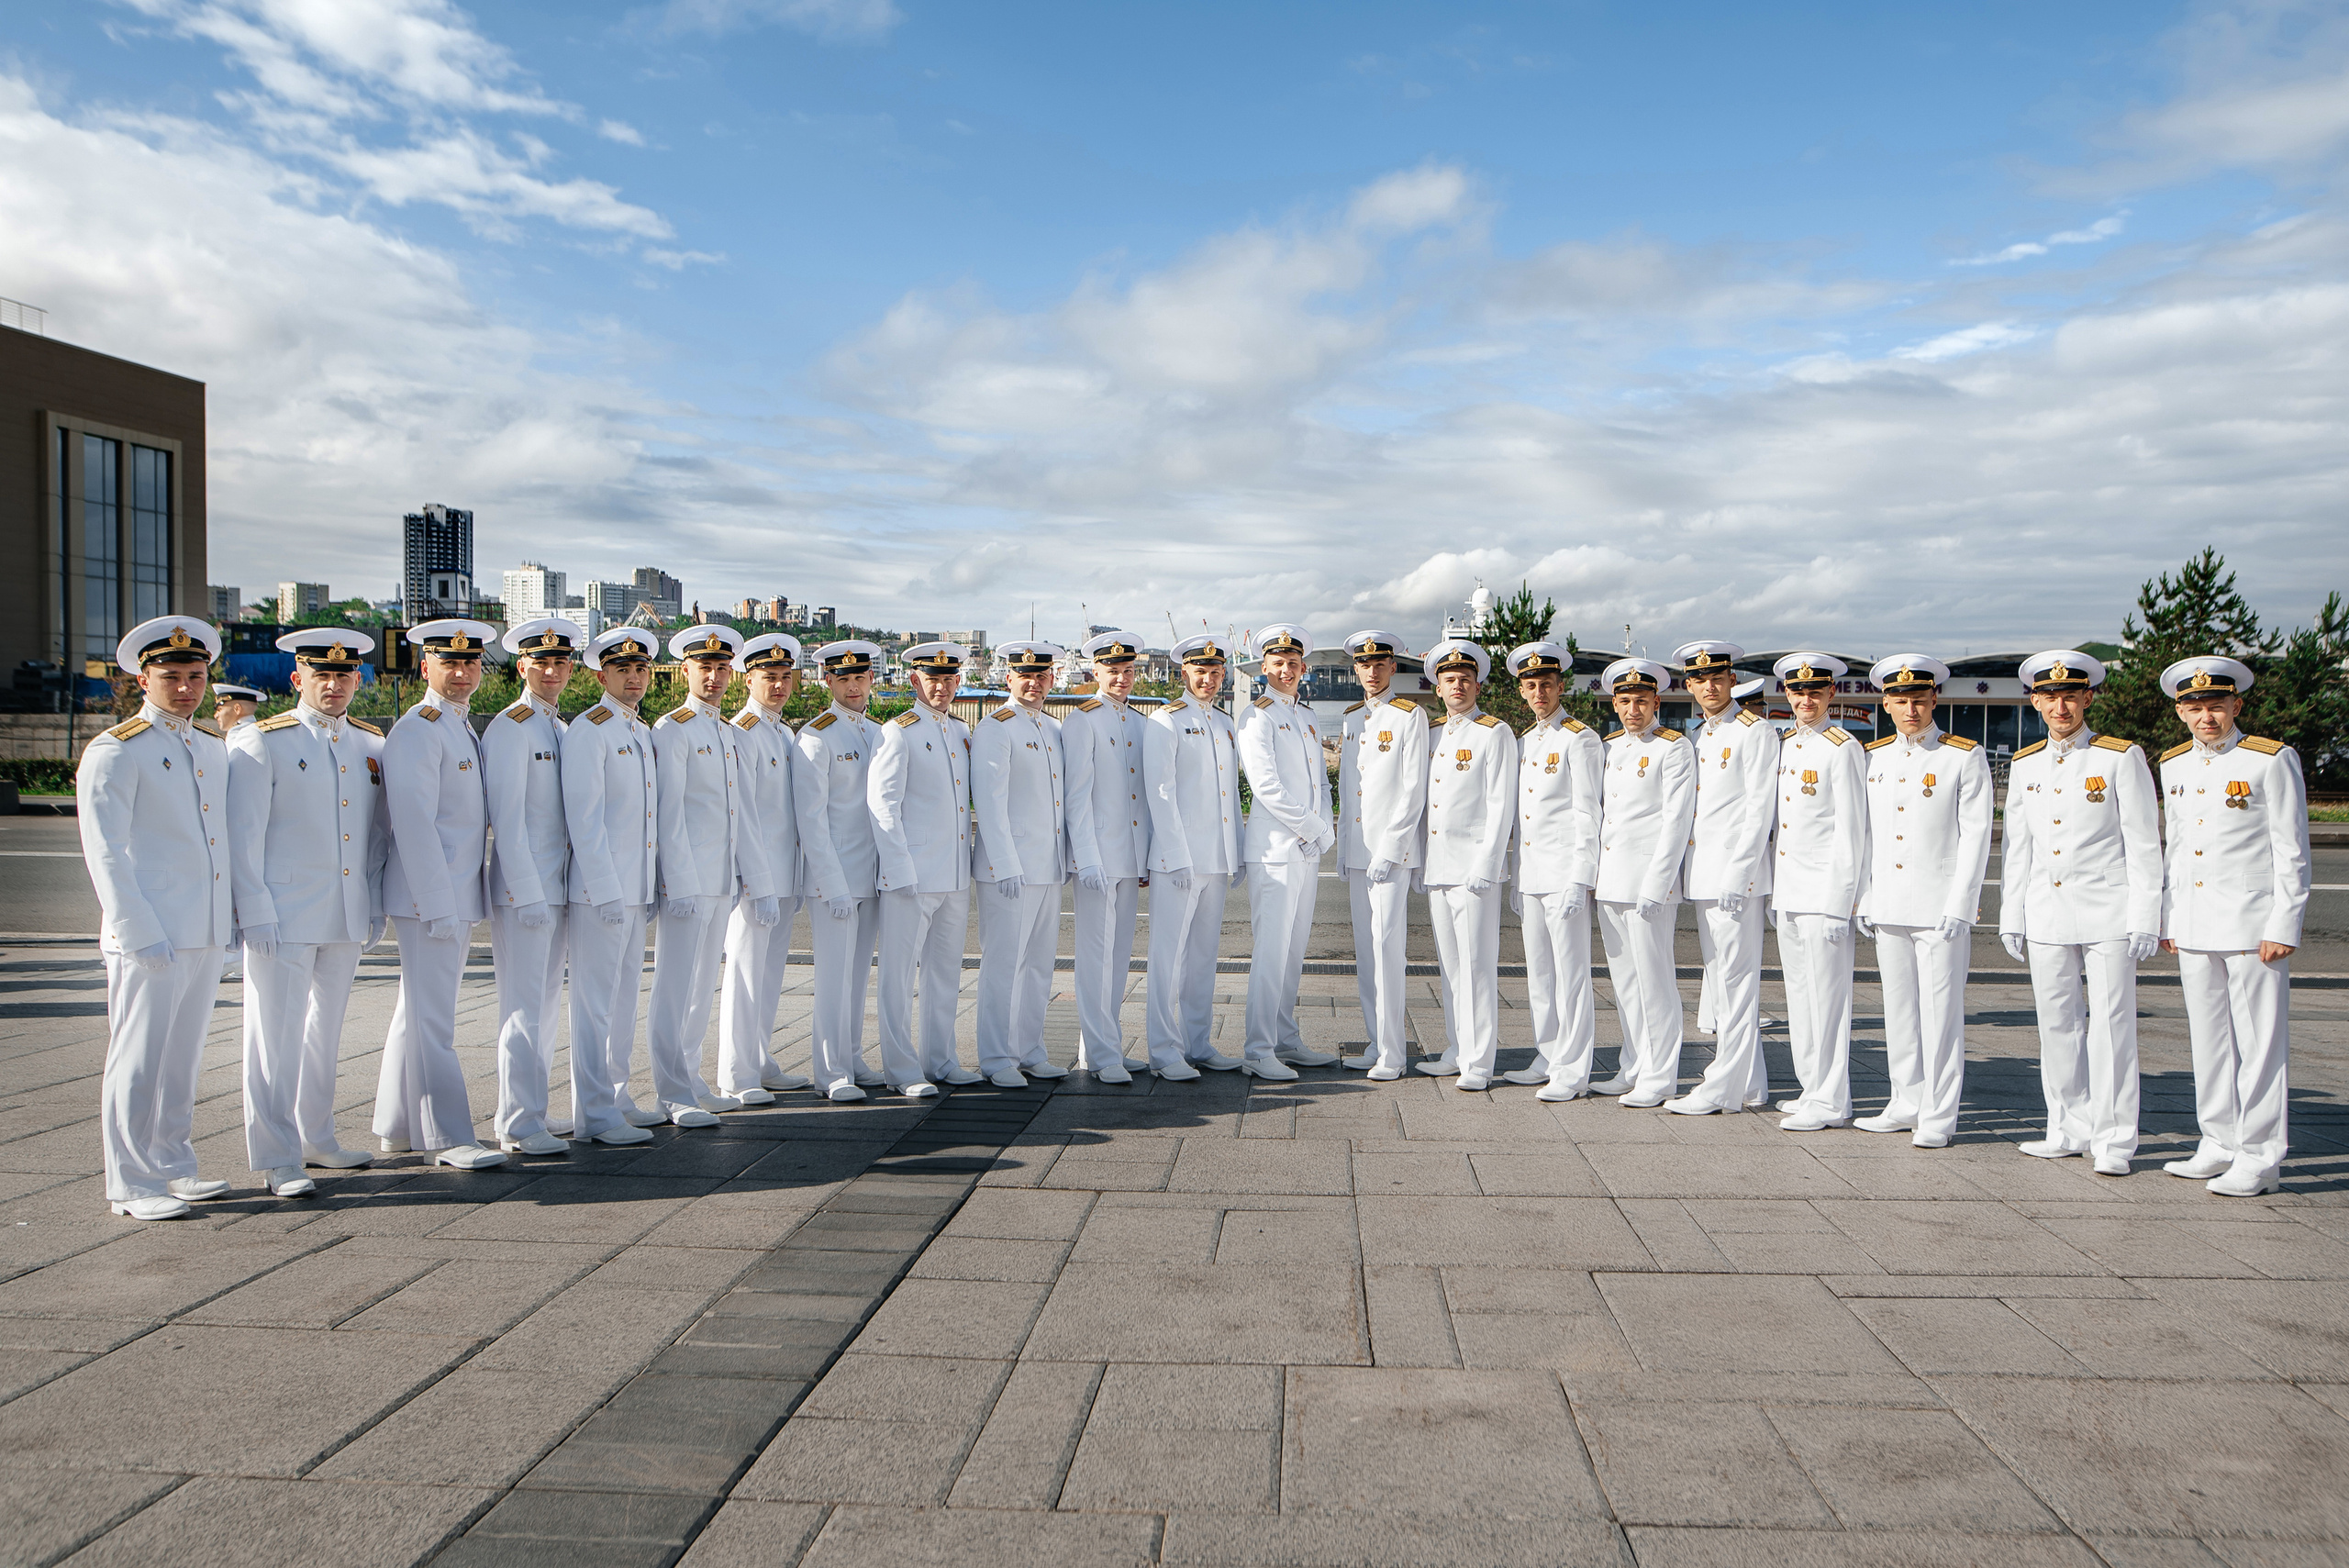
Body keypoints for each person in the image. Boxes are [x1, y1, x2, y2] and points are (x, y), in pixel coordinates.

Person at [79, 616, 237, 1219]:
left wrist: (225, 923)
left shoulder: (208, 746)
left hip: (201, 929)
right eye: (171, 676)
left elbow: (217, 841)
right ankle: (129, 1180)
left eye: (195, 676)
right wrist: (135, 928)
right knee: (139, 1056)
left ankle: (173, 1161)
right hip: (148, 932)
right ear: (144, 677)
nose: (185, 688)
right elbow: (106, 853)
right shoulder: (117, 750)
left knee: (181, 1056)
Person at [228, 628, 387, 1199]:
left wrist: (372, 900)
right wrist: (253, 911)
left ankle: (317, 1135)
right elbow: (240, 838)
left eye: (345, 675)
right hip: (282, 915)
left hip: (344, 914)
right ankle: (276, 1156)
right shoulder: (260, 742)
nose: (335, 684)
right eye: (323, 674)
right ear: (298, 680)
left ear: (357, 681)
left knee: (325, 1031)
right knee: (274, 1036)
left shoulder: (369, 745)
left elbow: (373, 837)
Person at [1999, 651, 2160, 1174]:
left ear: (2088, 697)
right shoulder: (2025, 764)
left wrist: (2145, 914)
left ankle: (2114, 1140)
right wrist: (2011, 913)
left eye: (2070, 695)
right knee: (2057, 1025)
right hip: (2047, 910)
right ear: (2035, 702)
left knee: (2112, 1026)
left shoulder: (2119, 757)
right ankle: (2066, 1126)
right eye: (2049, 696)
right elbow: (2017, 848)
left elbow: (2143, 844)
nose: (2060, 705)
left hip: (2108, 910)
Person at [2155, 655, 2310, 1197]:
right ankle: (2218, 1141)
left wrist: (2284, 923)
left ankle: (2261, 1156)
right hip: (2196, 924)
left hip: (2252, 926)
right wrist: (2170, 915)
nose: (2206, 718)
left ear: (2236, 705)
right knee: (2210, 1042)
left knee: (2261, 1044)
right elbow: (2175, 849)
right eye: (2194, 708)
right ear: (2180, 711)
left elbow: (2291, 852)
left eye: (2216, 707)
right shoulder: (2173, 766)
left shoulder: (2270, 760)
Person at [373, 619, 507, 1170]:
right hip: (430, 899)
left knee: (416, 1011)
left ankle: (396, 1125)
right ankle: (446, 1135)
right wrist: (437, 904)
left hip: (447, 894)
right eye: (449, 663)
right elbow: (413, 823)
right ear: (425, 667)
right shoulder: (420, 728)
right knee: (434, 1018)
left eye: (471, 662)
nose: (462, 672)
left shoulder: (457, 726)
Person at [1855, 656, 1992, 1150]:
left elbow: (1977, 835)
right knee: (1900, 1010)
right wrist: (1867, 894)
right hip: (1889, 903)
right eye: (1901, 700)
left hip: (1939, 907)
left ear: (1935, 699)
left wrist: (1961, 903)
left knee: (1940, 1013)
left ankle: (1938, 1112)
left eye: (1920, 699)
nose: (1910, 709)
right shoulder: (1874, 758)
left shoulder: (1962, 755)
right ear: (1886, 703)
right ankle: (1905, 1099)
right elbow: (1866, 834)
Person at [645, 625, 779, 1128]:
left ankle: (693, 1080)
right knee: (675, 986)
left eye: (724, 668)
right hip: (689, 882)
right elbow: (669, 813)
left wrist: (755, 881)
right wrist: (677, 882)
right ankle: (672, 1093)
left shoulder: (725, 732)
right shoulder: (673, 728)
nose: (716, 676)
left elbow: (739, 814)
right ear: (686, 670)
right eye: (706, 667)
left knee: (701, 987)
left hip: (719, 880)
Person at [481, 617, 583, 1158]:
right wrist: (525, 892)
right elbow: (508, 819)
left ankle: (534, 1110)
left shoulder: (560, 728)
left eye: (560, 662)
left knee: (543, 1005)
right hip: (527, 892)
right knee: (522, 1007)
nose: (551, 671)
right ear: (521, 665)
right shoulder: (511, 726)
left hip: (558, 887)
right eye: (540, 662)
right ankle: (517, 1121)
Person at [1665, 641, 1777, 1116]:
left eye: (1718, 678)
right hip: (1705, 874)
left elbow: (1759, 808)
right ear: (1689, 686)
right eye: (1699, 680)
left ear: (1732, 680)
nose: (1709, 686)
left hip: (1735, 878)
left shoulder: (1754, 731)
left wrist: (1742, 873)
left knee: (1734, 981)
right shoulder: (1699, 735)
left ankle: (1723, 1086)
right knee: (1724, 979)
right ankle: (1751, 1083)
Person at [559, 628, 661, 1146]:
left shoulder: (639, 732)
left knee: (622, 1001)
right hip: (603, 892)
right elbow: (586, 819)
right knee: (594, 1003)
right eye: (623, 670)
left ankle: (616, 1095)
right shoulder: (590, 729)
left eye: (641, 670)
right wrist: (605, 891)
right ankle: (593, 1111)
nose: (634, 678)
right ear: (601, 675)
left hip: (635, 889)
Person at [868, 640, 981, 1095]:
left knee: (945, 972)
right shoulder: (899, 731)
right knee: (899, 975)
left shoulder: (958, 731)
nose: (941, 687)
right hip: (911, 877)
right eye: (932, 679)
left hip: (953, 874)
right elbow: (882, 804)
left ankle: (941, 1058)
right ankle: (900, 1068)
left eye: (949, 679)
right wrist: (899, 870)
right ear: (915, 681)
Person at [1590, 657, 1697, 1107]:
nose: (1633, 709)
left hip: (1647, 883)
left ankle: (1661, 1074)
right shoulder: (1612, 747)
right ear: (1614, 703)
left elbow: (1676, 822)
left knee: (1655, 981)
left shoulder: (1674, 748)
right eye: (1624, 700)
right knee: (1626, 982)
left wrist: (1657, 884)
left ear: (1657, 702)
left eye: (1641, 701)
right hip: (1611, 879)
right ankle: (1632, 1064)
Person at [1769, 654, 1868, 1133]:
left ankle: (1831, 1100)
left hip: (1823, 895)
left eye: (1815, 692)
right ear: (1787, 695)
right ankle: (1812, 1088)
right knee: (1800, 997)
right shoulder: (1786, 744)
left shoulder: (1841, 746)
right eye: (1797, 692)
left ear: (1831, 695)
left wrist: (1841, 902)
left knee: (1828, 1001)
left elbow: (1851, 832)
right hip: (1789, 891)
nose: (1805, 700)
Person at [1235, 624, 1338, 1081]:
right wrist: (1311, 826)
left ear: (1302, 668)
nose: (1286, 669)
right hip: (1275, 849)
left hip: (1307, 848)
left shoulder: (1308, 716)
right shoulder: (1254, 716)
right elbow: (1266, 787)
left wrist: (1324, 829)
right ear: (1264, 667)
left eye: (1294, 663)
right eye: (1278, 663)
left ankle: (1285, 1037)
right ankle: (1257, 1048)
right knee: (1271, 951)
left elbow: (1320, 782)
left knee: (1295, 950)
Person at [716, 632, 814, 1103]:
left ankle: (759, 1057)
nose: (778, 685)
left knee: (771, 972)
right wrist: (757, 882)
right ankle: (736, 1072)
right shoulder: (744, 733)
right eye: (768, 677)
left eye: (784, 677)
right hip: (759, 879)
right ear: (747, 679)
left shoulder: (781, 730)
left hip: (784, 874)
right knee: (745, 971)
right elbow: (744, 815)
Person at [973, 640, 1074, 1088]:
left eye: (1041, 675)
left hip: (1047, 866)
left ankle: (1030, 1049)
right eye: (1024, 675)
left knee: (1038, 964)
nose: (1033, 683)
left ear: (1052, 679)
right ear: (1008, 679)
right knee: (1003, 964)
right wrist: (1004, 863)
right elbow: (990, 804)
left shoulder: (1053, 728)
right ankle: (996, 1057)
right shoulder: (997, 727)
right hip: (1009, 870)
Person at [1417, 637, 1518, 1092]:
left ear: (1478, 685)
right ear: (1437, 688)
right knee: (1451, 967)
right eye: (1449, 680)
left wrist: (1489, 863)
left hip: (1474, 870)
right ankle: (1457, 1049)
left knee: (1478, 967)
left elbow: (1501, 804)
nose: (1457, 686)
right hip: (1440, 867)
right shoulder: (1434, 733)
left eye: (1465, 679)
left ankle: (1479, 1061)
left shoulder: (1493, 732)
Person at [1503, 640, 1601, 1100]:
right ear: (1522, 691)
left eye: (1547, 684)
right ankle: (1548, 1053)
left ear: (1561, 686)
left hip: (1564, 875)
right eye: (1531, 685)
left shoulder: (1578, 738)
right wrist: (1518, 874)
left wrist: (1581, 878)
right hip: (1533, 875)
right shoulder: (1526, 741)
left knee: (1571, 974)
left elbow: (1587, 814)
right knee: (1540, 973)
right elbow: (1524, 817)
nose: (1539, 692)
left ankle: (1574, 1069)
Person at [1143, 635, 1244, 1079]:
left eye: (1216, 672)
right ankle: (1165, 1051)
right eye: (1200, 672)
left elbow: (1229, 798)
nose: (1208, 679)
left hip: (1216, 859)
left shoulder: (1223, 723)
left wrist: (1234, 853)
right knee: (1168, 957)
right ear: (1184, 674)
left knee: (1204, 955)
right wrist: (1175, 854)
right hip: (1178, 861)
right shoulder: (1166, 720)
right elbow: (1159, 793)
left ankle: (1198, 1043)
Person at [796, 639, 889, 1101]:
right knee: (833, 976)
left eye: (860, 677)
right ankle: (830, 1071)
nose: (853, 686)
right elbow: (811, 820)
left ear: (872, 679)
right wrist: (830, 883)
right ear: (827, 681)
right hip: (834, 878)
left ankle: (851, 1054)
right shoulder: (816, 736)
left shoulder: (878, 732)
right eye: (843, 678)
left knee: (857, 973)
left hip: (870, 875)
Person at [1061, 631, 1154, 1082]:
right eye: (1112, 671)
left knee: (1118, 958)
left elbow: (1141, 798)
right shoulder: (1083, 719)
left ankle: (1102, 1045)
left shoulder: (1137, 721)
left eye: (1127, 671)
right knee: (1095, 957)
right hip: (1097, 858)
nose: (1121, 679)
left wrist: (1143, 857)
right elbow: (1075, 797)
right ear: (1094, 672)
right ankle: (1101, 1055)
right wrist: (1087, 858)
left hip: (1128, 857)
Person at [1338, 630, 1430, 1081]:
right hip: (1358, 851)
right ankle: (1375, 1041)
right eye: (1364, 665)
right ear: (1355, 669)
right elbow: (1348, 791)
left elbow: (1414, 789)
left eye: (1380, 664)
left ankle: (1394, 1053)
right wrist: (1343, 848)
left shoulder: (1410, 716)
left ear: (1393, 667)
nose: (1372, 672)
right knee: (1365, 951)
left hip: (1389, 855)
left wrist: (1392, 848)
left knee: (1388, 948)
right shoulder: (1353, 717)